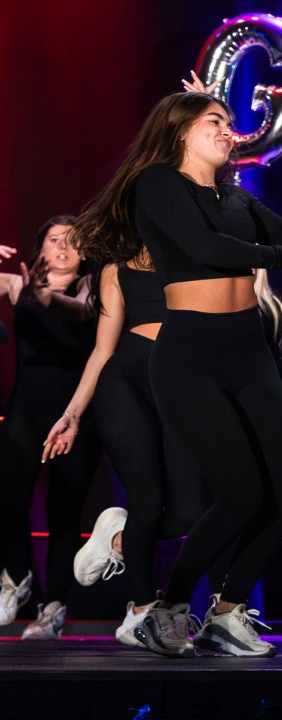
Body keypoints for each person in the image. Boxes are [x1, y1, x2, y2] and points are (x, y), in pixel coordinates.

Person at [69, 83, 282, 657]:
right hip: (189, 355)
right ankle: (171, 604)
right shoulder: (157, 186)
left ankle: (226, 615)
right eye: (214, 119)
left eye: (229, 121)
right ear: (181, 130)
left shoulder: (239, 200)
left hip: (248, 350)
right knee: (238, 493)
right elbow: (208, 248)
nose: (227, 128)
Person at [41, 247, 206, 647]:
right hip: (126, 385)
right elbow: (102, 350)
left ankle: (117, 538)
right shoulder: (117, 268)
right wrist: (73, 414)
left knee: (190, 512)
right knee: (146, 502)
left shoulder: (196, 251)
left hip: (183, 388)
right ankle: (140, 610)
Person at [0, 218, 101, 640]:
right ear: (39, 248)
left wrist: (48, 298)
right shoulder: (15, 283)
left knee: (65, 514)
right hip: (27, 410)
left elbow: (84, 312)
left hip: (77, 417)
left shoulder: (94, 286)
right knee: (8, 500)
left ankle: (54, 606)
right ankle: (15, 578)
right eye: (54, 239)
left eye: (73, 241)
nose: (63, 246)